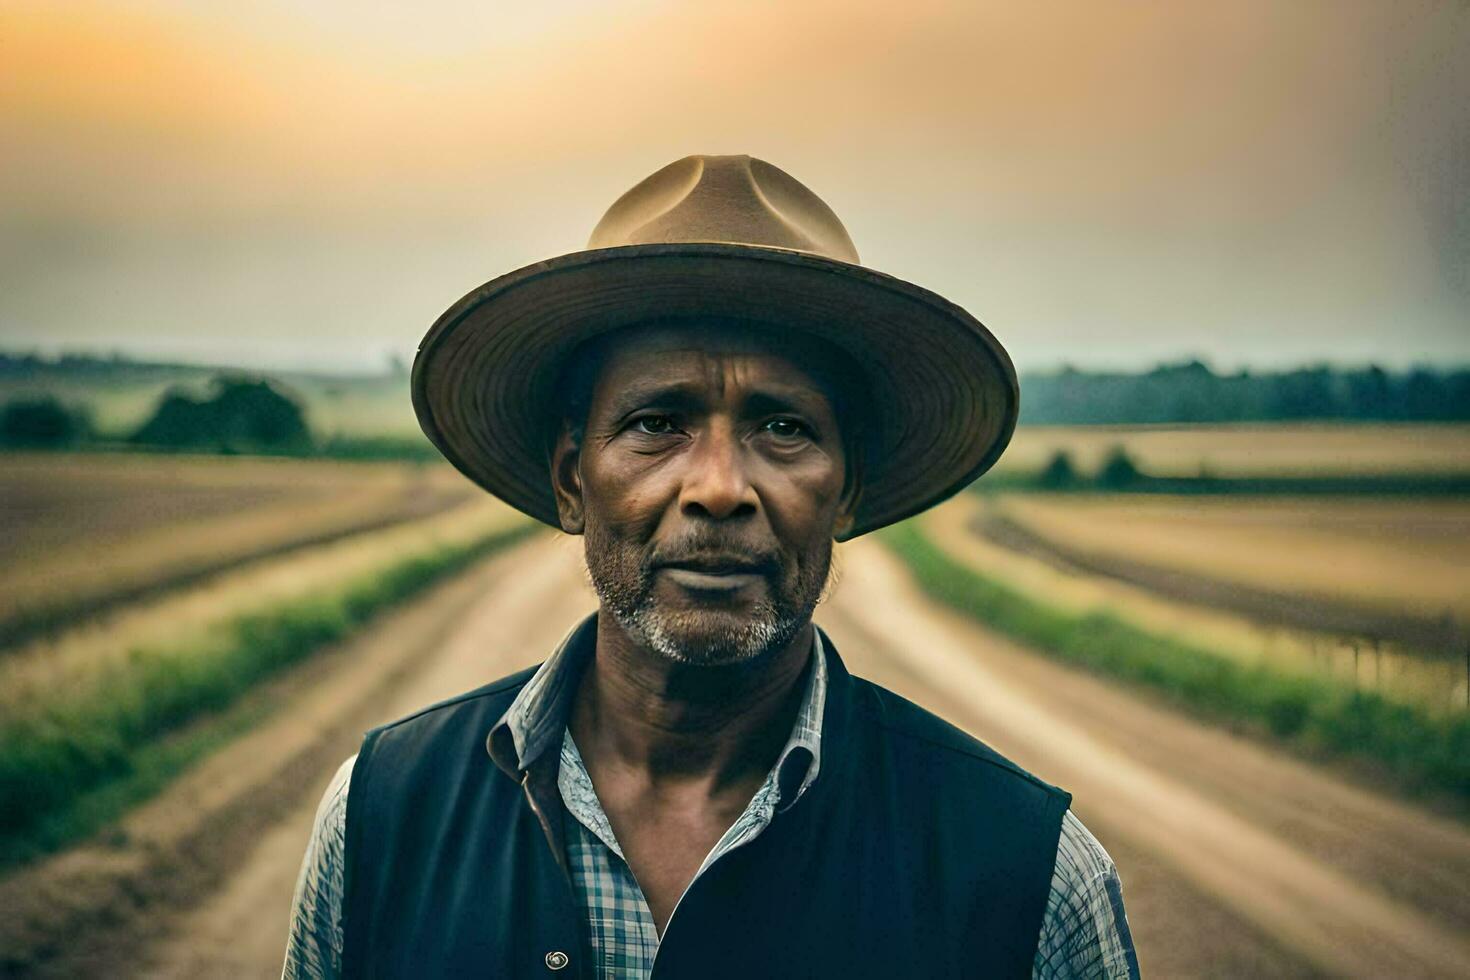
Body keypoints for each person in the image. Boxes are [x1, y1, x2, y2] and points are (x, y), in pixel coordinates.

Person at [282, 155, 1139, 979]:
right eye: (658, 422)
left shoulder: (1029, 873)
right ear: (571, 479)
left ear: (848, 494)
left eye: (784, 427)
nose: (721, 489)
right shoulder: (381, 814)